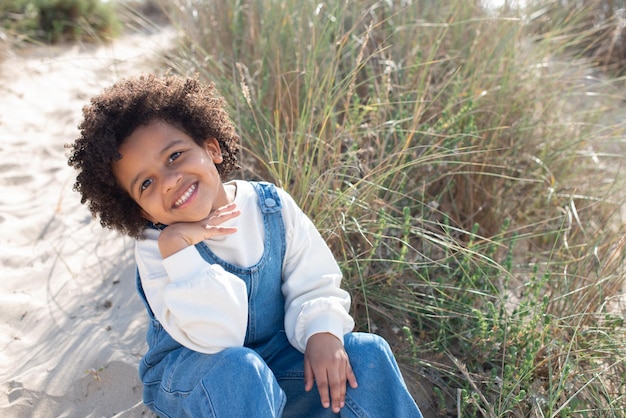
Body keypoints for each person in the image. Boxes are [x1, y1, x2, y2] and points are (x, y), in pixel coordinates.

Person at [67, 73, 423, 418]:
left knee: (367, 354)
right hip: (198, 381)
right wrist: (179, 251)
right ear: (139, 208)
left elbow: (314, 280)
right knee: (240, 369)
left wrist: (322, 330)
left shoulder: (272, 208)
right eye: (146, 183)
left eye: (174, 156)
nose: (170, 181)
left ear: (212, 148)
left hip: (277, 368)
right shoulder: (157, 247)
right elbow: (220, 337)